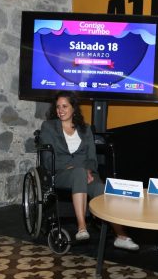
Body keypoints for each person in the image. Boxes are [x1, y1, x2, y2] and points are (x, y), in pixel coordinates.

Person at [40, 91, 139, 250]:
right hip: (60, 173)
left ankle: (121, 236)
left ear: (73, 108)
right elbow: (46, 158)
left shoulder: (85, 129)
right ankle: (82, 227)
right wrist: (75, 168)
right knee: (78, 173)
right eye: (58, 107)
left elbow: (92, 158)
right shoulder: (49, 127)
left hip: (86, 174)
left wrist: (87, 169)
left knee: (101, 188)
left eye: (65, 106)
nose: (60, 110)